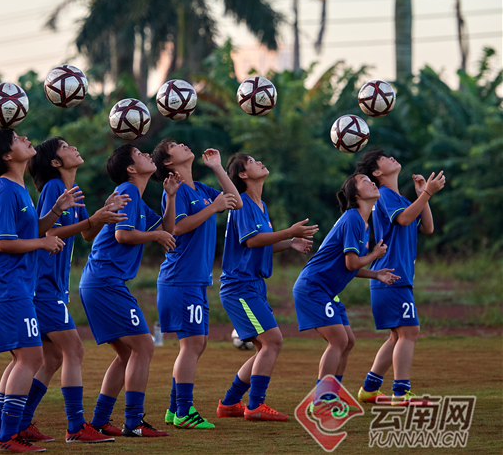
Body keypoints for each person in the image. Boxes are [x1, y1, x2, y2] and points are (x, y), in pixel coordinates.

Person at [17, 137, 130, 444]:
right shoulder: (55, 187)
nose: (74, 147)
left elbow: (88, 234)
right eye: (65, 146)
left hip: (51, 286)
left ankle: (22, 423)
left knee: (52, 357)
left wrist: (104, 212)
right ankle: (76, 427)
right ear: (55, 163)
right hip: (43, 286)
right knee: (74, 350)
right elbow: (50, 231)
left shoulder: (71, 191)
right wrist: (94, 218)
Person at [0, 127, 83, 453]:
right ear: (7, 156)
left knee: (22, 359)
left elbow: (29, 229)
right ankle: (9, 437)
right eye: (17, 139)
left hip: (14, 286)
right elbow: (5, 243)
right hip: (7, 286)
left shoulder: (17, 187)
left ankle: (0, 433)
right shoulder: (7, 190)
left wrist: (54, 211)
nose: (26, 138)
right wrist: (43, 241)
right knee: (31, 357)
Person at [79, 144, 181, 438]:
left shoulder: (134, 195)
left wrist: (171, 198)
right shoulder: (127, 191)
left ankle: (99, 420)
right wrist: (156, 234)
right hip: (105, 281)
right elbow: (123, 235)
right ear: (131, 169)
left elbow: (168, 229)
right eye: (140, 154)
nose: (148, 155)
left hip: (100, 281)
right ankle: (134, 422)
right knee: (145, 346)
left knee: (127, 354)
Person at [217, 154, 318, 422]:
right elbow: (251, 242)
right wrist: (288, 233)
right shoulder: (242, 204)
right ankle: (255, 406)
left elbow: (260, 241)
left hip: (253, 285)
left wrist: (290, 242)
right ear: (243, 175)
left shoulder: (260, 205)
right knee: (273, 341)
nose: (260, 161)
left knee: (266, 345)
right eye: (252, 161)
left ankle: (229, 403)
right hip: (240, 287)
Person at [292, 172, 400, 421]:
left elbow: (347, 264)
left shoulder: (362, 221)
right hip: (312, 287)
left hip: (326, 290)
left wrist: (376, 274)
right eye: (365, 181)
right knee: (338, 340)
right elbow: (351, 263)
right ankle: (321, 402)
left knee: (348, 341)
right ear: (356, 195)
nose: (371, 183)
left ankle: (333, 397)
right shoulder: (352, 218)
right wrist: (374, 255)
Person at [152, 140, 242, 430]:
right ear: (168, 163)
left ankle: (173, 408)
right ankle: (184, 411)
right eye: (175, 145)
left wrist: (217, 168)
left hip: (194, 280)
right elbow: (175, 228)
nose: (183, 144)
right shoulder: (174, 191)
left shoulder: (202, 189)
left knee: (195, 344)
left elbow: (236, 202)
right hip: (180, 279)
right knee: (191, 345)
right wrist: (213, 208)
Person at [355, 149, 446, 407]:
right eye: (384, 158)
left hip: (396, 277)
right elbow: (405, 220)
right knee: (410, 332)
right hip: (390, 276)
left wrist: (421, 197)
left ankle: (370, 389)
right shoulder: (383, 195)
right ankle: (400, 392)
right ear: (377, 172)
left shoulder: (401, 198)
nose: (392, 157)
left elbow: (427, 227)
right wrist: (427, 193)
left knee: (397, 336)